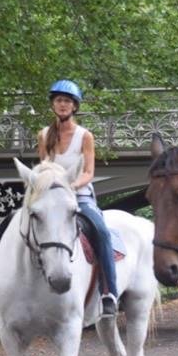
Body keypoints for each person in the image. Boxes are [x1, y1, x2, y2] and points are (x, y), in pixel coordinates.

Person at [37, 79, 118, 317]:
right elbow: (44, 169)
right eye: (58, 100)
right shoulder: (43, 135)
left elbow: (89, 172)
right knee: (13, 224)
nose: (62, 104)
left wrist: (70, 186)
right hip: (51, 197)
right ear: (53, 104)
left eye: (67, 101)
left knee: (101, 232)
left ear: (74, 106)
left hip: (79, 196)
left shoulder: (85, 136)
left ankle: (109, 293)